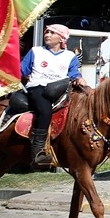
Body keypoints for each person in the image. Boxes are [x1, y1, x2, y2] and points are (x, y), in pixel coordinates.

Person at [21, 24, 88, 168]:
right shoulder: (36, 51)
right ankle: (37, 152)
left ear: (62, 38)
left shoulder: (70, 56)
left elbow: (74, 73)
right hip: (38, 87)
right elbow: (22, 70)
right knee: (45, 111)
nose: (47, 35)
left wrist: (79, 78)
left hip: (61, 89)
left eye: (52, 32)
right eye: (46, 32)